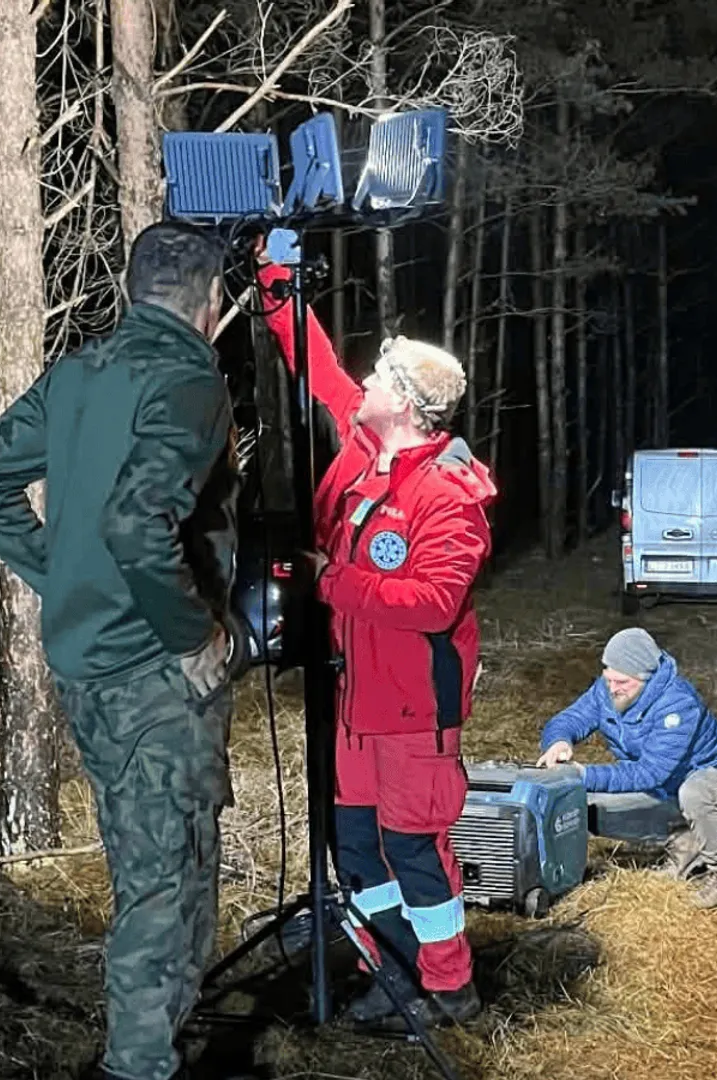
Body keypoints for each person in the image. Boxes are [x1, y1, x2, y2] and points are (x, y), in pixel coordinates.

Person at [0, 222, 239, 1080]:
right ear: (211, 299)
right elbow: (135, 522)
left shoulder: (81, 371)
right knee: (165, 879)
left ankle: (161, 1036)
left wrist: (61, 575)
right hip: (152, 672)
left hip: (87, 666)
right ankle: (139, 1061)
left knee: (153, 859)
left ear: (134, 288)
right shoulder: (189, 378)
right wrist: (193, 634)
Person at [255, 243, 497, 1031]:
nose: (363, 384)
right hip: (354, 703)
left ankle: (449, 988)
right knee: (356, 846)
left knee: (414, 850)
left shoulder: (447, 496)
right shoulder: (365, 448)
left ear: (408, 406)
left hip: (412, 712)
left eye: (379, 379)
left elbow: (433, 602)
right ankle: (390, 972)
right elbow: (318, 366)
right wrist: (276, 280)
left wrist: (332, 581)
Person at [536, 628, 717, 908]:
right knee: (577, 806)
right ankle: (685, 843)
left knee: (695, 793)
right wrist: (559, 741)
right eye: (608, 678)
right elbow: (571, 718)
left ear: (646, 678)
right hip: (665, 790)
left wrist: (584, 775)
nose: (613, 688)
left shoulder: (677, 703)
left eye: (622, 682)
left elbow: (650, 772)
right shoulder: (608, 689)